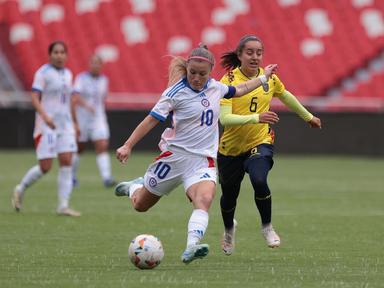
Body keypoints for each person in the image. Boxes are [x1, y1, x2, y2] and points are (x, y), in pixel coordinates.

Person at [114, 44, 277, 264]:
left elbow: (239, 89)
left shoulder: (216, 87)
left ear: (210, 71)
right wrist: (127, 145)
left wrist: (264, 78)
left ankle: (191, 247)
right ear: (187, 69)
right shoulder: (174, 93)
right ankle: (134, 186)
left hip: (203, 160)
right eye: (193, 73)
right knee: (140, 205)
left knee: (205, 199)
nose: (197, 78)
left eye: (202, 74)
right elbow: (151, 119)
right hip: (174, 158)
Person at [217, 35, 322, 255]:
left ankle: (267, 227)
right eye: (250, 52)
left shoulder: (270, 78)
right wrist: (257, 117)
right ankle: (228, 230)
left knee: (259, 178)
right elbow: (224, 119)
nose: (255, 57)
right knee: (228, 197)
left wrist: (308, 116)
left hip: (260, 140)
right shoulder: (227, 82)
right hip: (230, 149)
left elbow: (285, 95)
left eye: (259, 52)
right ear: (239, 55)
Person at [12, 41, 80, 217]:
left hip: (65, 126)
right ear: (50, 55)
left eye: (62, 52)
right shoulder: (43, 73)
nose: (59, 55)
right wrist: (45, 116)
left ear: (66, 55)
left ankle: (63, 206)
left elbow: (70, 101)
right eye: (56, 52)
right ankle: (20, 188)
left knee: (67, 162)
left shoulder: (68, 73)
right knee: (46, 166)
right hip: (47, 125)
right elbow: (34, 97)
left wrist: (75, 122)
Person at [71, 55, 116, 188]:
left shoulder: (104, 80)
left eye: (98, 63)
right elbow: (75, 96)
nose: (95, 66)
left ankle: (107, 178)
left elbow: (103, 98)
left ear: (101, 66)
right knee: (79, 148)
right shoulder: (81, 78)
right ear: (89, 64)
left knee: (102, 145)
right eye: (93, 63)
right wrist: (85, 105)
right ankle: (72, 177)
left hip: (98, 118)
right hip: (82, 118)